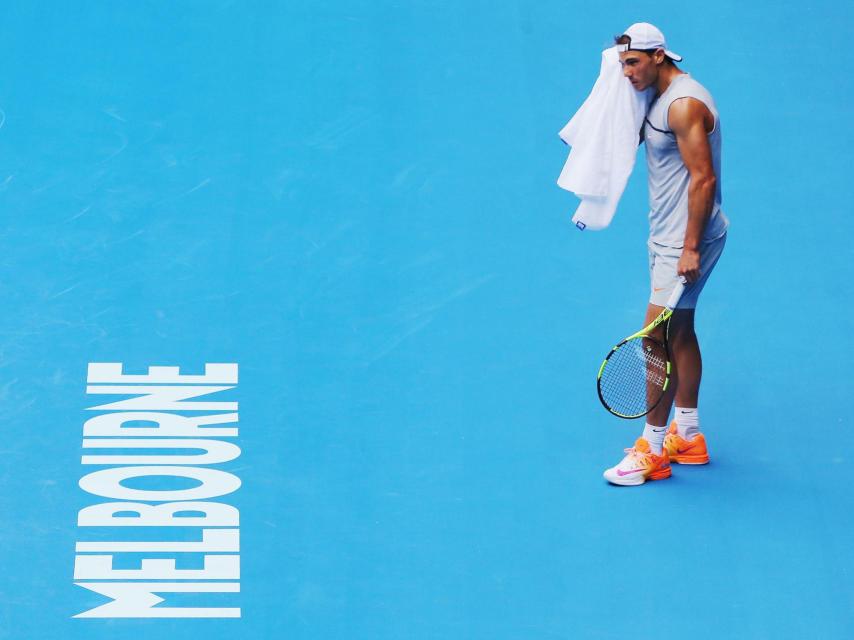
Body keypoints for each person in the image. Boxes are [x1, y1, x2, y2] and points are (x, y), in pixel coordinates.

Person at [603, 22, 729, 486]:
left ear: (659, 56)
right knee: (679, 333)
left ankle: (653, 450)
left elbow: (704, 179)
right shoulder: (660, 98)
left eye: (633, 63)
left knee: (652, 340)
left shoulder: (683, 105)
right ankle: (689, 437)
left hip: (684, 240)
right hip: (673, 236)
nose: (627, 73)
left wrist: (690, 248)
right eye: (622, 64)